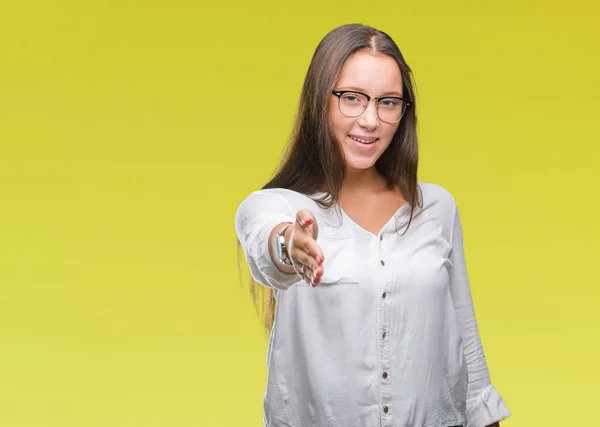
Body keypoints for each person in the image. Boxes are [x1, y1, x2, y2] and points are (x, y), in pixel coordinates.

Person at [234, 23, 510, 427]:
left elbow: (465, 343)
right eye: (351, 98)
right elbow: (267, 242)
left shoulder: (437, 207)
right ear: (319, 101)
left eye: (388, 102)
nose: (370, 120)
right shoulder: (276, 206)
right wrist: (289, 243)